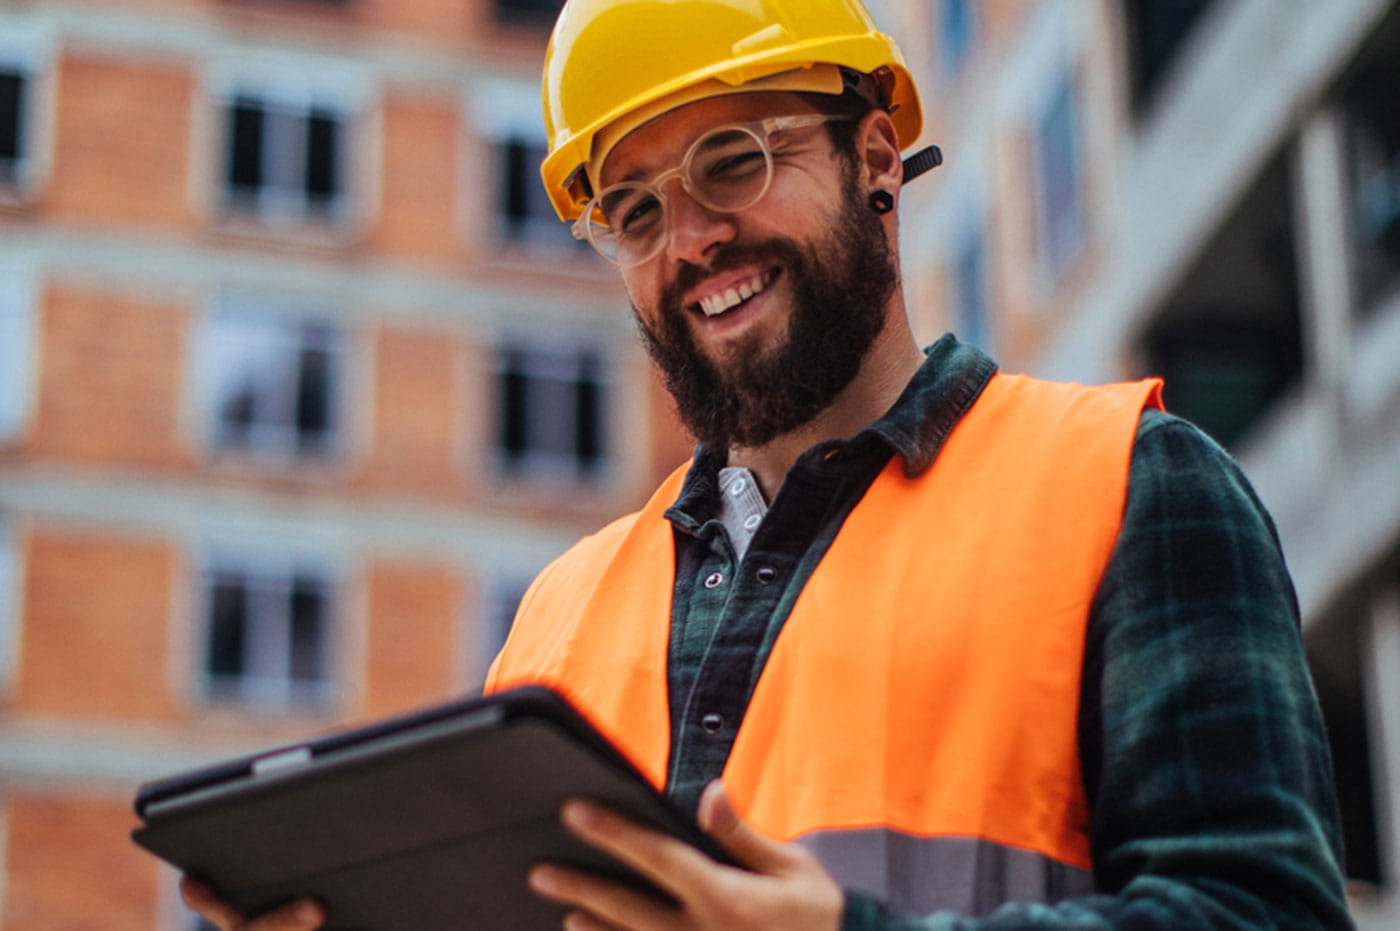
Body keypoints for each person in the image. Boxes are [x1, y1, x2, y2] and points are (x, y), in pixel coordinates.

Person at [183, 0, 1353, 928]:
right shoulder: (556, 616)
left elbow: (1262, 912)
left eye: (731, 162)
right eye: (633, 211)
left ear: (876, 156)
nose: (688, 240)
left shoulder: (1124, 486)